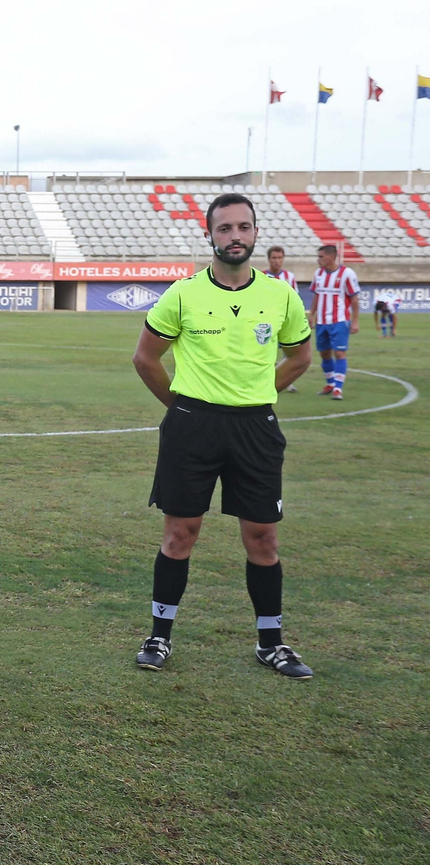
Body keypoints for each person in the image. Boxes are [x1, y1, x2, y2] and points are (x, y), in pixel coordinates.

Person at [132, 193, 314, 679]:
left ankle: (271, 643)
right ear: (209, 234)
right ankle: (159, 636)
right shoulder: (183, 293)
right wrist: (182, 406)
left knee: (263, 539)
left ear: (255, 233)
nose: (235, 236)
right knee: (179, 535)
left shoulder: (281, 296)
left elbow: (299, 358)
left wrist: (257, 394)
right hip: (192, 427)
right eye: (226, 228)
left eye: (244, 227)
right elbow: (145, 358)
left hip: (255, 428)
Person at [308, 244, 360, 400]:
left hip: (339, 320)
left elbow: (354, 298)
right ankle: (330, 383)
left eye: (321, 256)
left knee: (339, 353)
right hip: (321, 321)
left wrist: (355, 321)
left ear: (332, 256)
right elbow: (316, 295)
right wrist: (312, 315)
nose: (319, 260)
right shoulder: (318, 274)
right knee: (324, 353)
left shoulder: (347, 273)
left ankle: (338, 388)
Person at [265, 246, 300, 391]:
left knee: (289, 352)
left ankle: (286, 381)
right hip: (266, 321)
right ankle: (265, 380)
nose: (277, 261)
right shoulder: (261, 276)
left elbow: (295, 299)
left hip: (284, 321)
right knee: (267, 352)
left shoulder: (289, 277)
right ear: (269, 259)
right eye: (274, 258)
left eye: (279, 258)